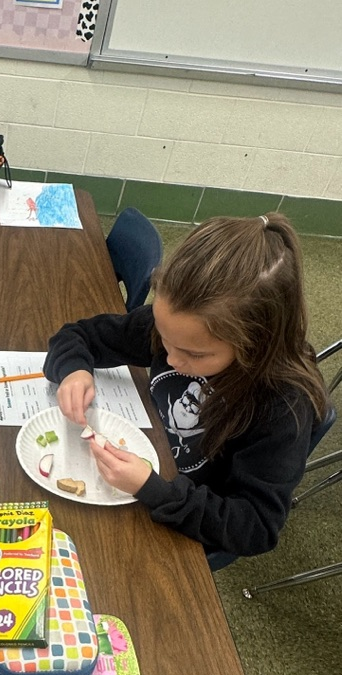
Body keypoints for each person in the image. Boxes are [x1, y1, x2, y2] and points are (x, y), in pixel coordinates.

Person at [44, 213, 329, 563]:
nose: (172, 357)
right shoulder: (177, 325)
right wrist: (74, 371)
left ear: (254, 343)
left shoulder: (281, 404)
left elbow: (255, 526)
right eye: (165, 340)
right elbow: (78, 335)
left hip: (181, 526)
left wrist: (153, 489)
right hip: (147, 469)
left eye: (194, 354)